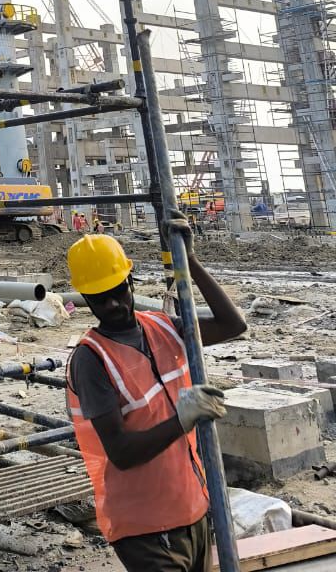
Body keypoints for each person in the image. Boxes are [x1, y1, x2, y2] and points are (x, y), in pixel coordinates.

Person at [65, 218, 247, 572]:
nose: (114, 304)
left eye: (118, 291)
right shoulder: (91, 360)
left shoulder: (163, 327)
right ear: (86, 298)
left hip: (193, 508)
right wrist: (182, 420)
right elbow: (120, 452)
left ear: (130, 280)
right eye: (100, 299)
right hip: (144, 528)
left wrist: (188, 261)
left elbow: (233, 324)